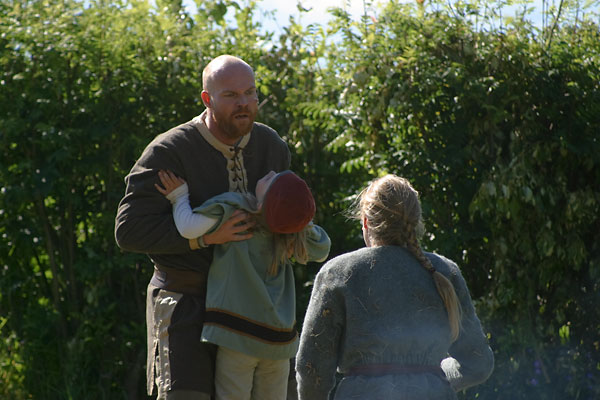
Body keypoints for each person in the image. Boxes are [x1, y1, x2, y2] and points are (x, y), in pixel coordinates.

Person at [114, 55, 291, 400]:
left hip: (252, 309)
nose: (243, 103)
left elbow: (286, 218)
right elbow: (129, 231)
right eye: (231, 95)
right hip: (186, 306)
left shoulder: (272, 148)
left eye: (250, 93)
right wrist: (203, 239)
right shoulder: (169, 151)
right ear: (207, 99)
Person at [295, 174, 494, 400]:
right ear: (416, 221)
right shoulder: (444, 272)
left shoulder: (337, 273)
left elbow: (312, 370)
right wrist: (431, 379)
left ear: (366, 223)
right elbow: (479, 363)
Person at [156, 168, 331, 400]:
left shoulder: (235, 210)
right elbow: (323, 248)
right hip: (278, 341)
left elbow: (188, 227)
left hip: (237, 334)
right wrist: (293, 219)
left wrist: (179, 196)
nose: (270, 171)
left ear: (261, 205)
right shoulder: (292, 235)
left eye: (271, 179)